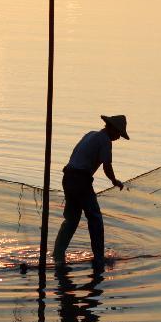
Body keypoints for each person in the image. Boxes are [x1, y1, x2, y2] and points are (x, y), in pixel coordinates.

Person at [52, 114, 128, 271]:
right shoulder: (105, 141)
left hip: (68, 178)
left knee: (71, 220)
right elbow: (107, 166)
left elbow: (75, 157)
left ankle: (58, 253)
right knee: (95, 219)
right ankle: (99, 258)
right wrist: (114, 181)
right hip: (80, 180)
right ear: (111, 128)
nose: (118, 137)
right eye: (119, 133)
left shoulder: (91, 134)